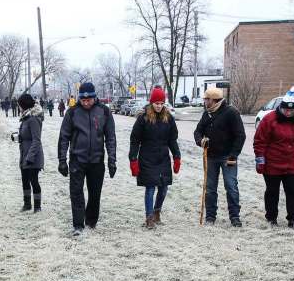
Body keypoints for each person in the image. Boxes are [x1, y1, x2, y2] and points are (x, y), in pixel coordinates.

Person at [57, 81, 117, 236]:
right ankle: (78, 225)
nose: (86, 103)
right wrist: (62, 160)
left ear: (94, 97)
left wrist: (112, 160)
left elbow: (110, 137)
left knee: (94, 193)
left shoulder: (104, 112)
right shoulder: (72, 112)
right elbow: (64, 137)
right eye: (83, 100)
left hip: (97, 160)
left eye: (88, 100)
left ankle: (91, 221)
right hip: (78, 159)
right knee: (76, 192)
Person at [253, 87, 294, 229]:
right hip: (272, 165)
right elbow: (260, 141)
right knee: (272, 192)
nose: (288, 113)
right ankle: (271, 217)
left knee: (293, 192)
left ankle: (293, 219)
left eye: (291, 110)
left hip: (292, 164)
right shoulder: (269, 119)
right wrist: (260, 161)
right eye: (286, 110)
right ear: (281, 107)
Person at [193, 86, 245, 226]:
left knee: (231, 186)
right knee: (210, 188)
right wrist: (200, 141)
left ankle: (234, 217)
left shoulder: (231, 113)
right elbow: (197, 132)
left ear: (214, 100)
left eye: (206, 99)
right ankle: (210, 216)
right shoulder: (207, 113)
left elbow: (240, 135)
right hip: (211, 157)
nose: (205, 102)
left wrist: (233, 155)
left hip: (228, 157)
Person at [129, 87, 181, 228]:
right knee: (150, 188)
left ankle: (157, 212)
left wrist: (177, 157)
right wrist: (133, 160)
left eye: (161, 103)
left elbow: (172, 140)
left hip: (163, 157)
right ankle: (149, 217)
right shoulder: (143, 118)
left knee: (163, 188)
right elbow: (135, 140)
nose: (159, 106)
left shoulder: (168, 118)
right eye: (156, 103)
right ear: (151, 102)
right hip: (147, 157)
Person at [15, 93, 44, 212]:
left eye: (19, 105)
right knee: (25, 180)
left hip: (33, 156)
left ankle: (37, 207)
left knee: (33, 180)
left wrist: (30, 157)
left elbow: (36, 140)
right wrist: (18, 137)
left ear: (24, 105)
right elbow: (26, 135)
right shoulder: (26, 118)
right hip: (24, 154)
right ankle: (27, 204)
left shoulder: (33, 119)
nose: (19, 107)